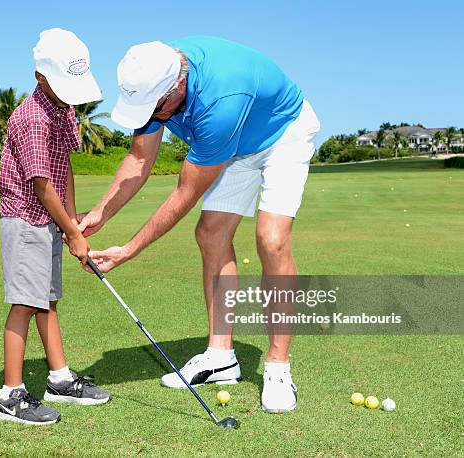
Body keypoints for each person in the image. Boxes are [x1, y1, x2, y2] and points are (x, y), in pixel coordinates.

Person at [78, 36, 320, 413]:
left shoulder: (219, 102)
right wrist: (100, 213)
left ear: (177, 86)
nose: (151, 114)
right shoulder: (155, 75)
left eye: (156, 107)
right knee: (210, 234)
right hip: (236, 144)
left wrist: (127, 250)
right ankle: (221, 356)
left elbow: (183, 195)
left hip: (281, 132)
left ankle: (278, 365)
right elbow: (140, 158)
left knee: (271, 239)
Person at [0, 28, 110, 426]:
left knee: (47, 299)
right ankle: (9, 395)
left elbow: (65, 169)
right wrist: (74, 235)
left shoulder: (64, 110)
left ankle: (58, 378)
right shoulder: (31, 118)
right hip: (25, 216)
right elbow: (41, 184)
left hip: (50, 215)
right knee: (25, 302)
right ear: (41, 77)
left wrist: (71, 220)